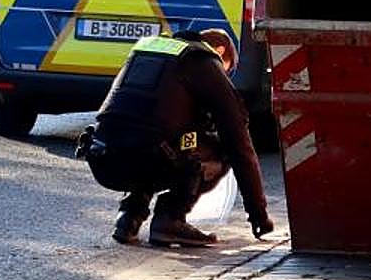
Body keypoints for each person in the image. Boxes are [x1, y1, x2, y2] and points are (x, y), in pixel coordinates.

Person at [77, 29, 275, 248]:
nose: (225, 76)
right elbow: (240, 144)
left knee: (153, 135)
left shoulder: (150, 50)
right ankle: (170, 219)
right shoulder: (204, 61)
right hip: (148, 158)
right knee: (221, 149)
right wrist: (258, 214)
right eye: (228, 69)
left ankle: (129, 217)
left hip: (103, 158)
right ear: (220, 52)